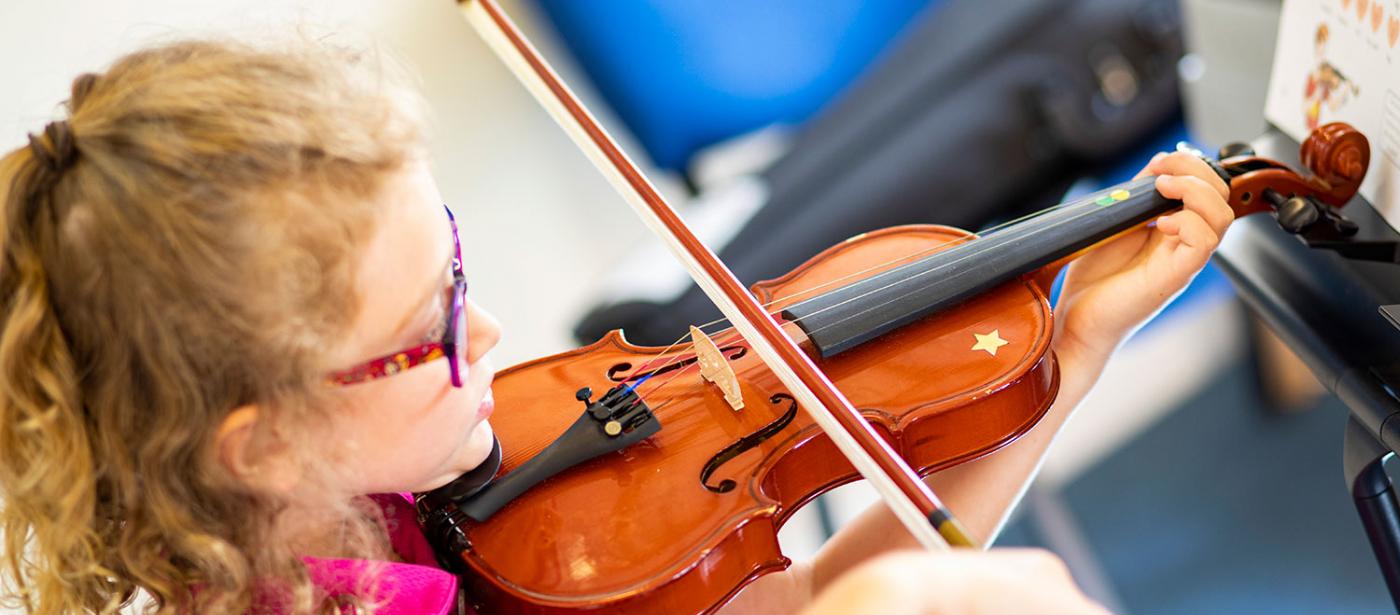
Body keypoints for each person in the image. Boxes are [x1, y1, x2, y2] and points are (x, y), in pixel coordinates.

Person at [0, 39, 1233, 615]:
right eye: (423, 328)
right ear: (260, 446)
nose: (484, 334)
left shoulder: (406, 515)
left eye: (458, 267)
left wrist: (1071, 348)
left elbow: (796, 605)